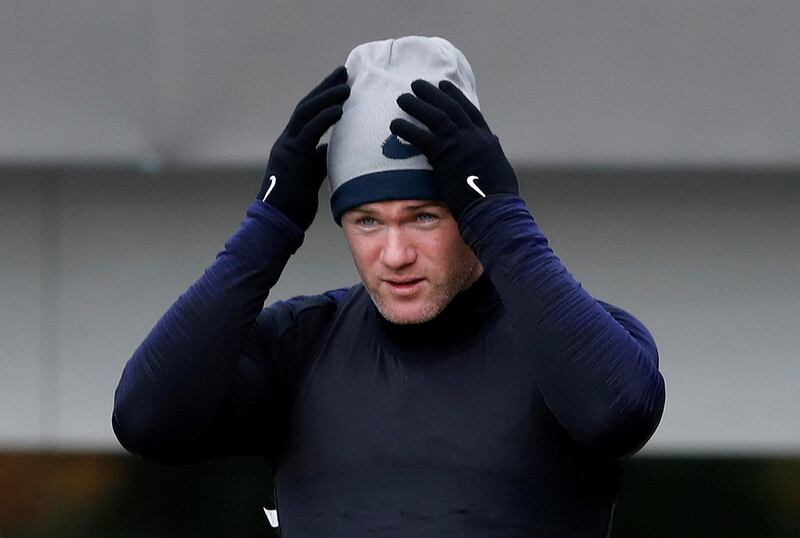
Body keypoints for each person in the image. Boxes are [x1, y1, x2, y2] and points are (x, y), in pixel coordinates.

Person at [113, 36, 665, 537]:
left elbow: (616, 412)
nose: (395, 255)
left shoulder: (572, 343)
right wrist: (268, 224)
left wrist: (501, 217)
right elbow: (146, 419)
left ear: (470, 213)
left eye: (424, 216)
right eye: (367, 221)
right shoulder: (300, 348)